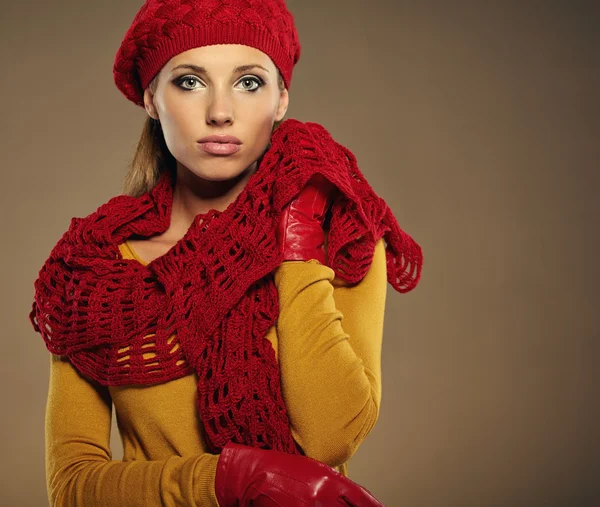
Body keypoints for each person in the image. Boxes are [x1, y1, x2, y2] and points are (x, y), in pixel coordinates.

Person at [29, 0, 423, 505]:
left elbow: (329, 437)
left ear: (281, 99)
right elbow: (72, 488)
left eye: (249, 82)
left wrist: (296, 239)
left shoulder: (341, 237)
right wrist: (225, 480)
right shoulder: (93, 270)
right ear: (152, 98)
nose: (220, 112)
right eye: (190, 81)